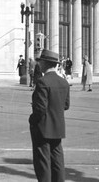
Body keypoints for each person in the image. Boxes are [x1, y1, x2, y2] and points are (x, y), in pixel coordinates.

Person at [29, 49, 70, 182]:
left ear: (45, 64)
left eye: (40, 62)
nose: (39, 64)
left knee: (43, 165)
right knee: (57, 162)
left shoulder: (42, 82)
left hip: (43, 129)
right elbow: (66, 105)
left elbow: (40, 109)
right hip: (57, 128)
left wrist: (32, 120)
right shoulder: (63, 82)